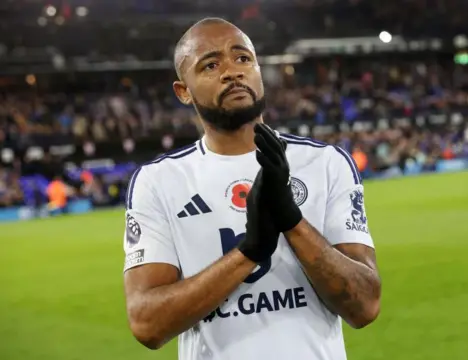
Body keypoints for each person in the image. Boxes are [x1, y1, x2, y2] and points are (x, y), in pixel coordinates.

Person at [122, 17, 381, 360]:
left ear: (259, 70)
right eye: (211, 64)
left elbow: (364, 305)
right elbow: (147, 323)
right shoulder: (159, 181)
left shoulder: (326, 163)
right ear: (183, 91)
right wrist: (249, 252)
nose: (232, 71)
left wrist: (292, 222)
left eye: (243, 58)